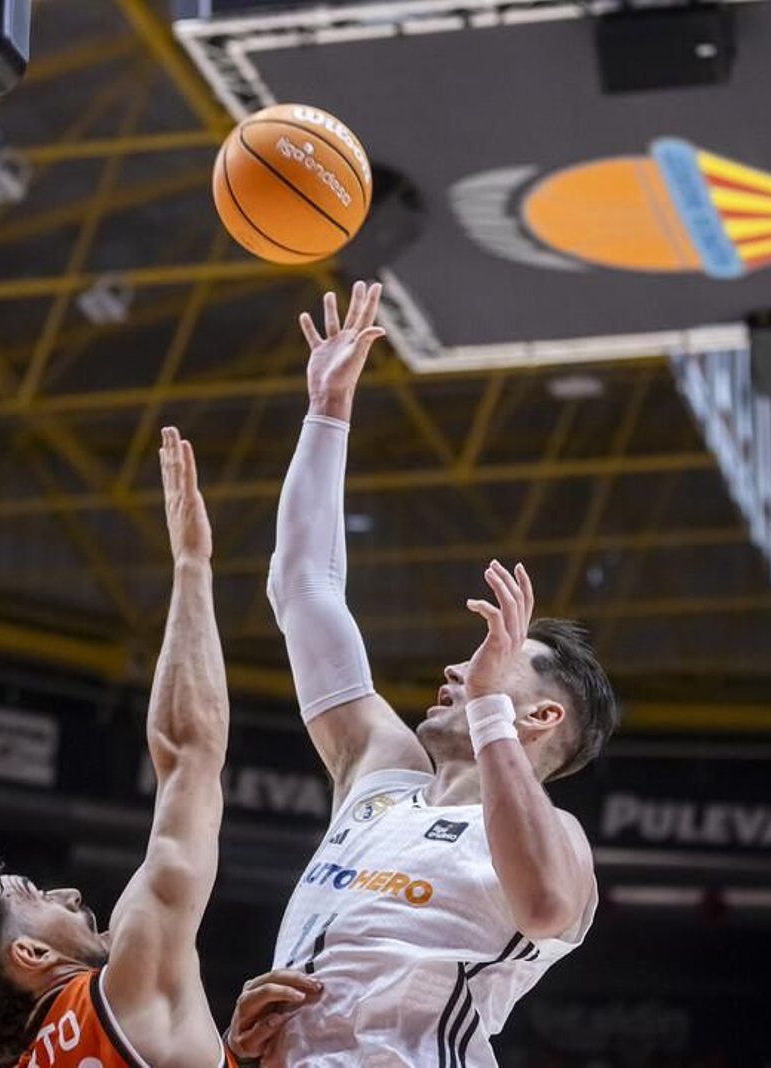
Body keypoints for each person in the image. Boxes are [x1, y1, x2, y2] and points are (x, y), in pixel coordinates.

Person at [233, 281, 620, 1067]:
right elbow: (302, 587)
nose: (458, 667)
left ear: (541, 718)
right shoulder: (381, 774)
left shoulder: (560, 842)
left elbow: (544, 904)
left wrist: (487, 713)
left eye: (490, 660)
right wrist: (327, 410)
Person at [0, 429, 245, 1068]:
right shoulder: (127, 982)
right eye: (35, 896)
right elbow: (188, 754)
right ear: (30, 956)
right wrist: (192, 562)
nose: (70, 895)